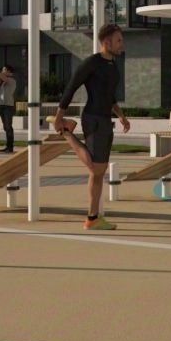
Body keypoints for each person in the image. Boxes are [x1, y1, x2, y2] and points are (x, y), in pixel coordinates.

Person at [53, 23, 132, 231]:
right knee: (95, 168)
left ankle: (93, 217)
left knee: (99, 171)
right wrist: (58, 117)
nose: (122, 44)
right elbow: (71, 87)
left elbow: (109, 95)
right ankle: (66, 132)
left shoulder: (112, 65)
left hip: (105, 119)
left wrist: (121, 116)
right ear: (107, 42)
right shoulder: (92, 63)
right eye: (118, 40)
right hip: (93, 118)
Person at [0, 64, 19, 153]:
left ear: (8, 71)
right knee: (5, 127)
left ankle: (10, 147)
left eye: (4, 70)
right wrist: (0, 75)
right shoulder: (2, 82)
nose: (2, 71)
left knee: (8, 126)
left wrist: (2, 74)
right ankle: (7, 146)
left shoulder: (12, 80)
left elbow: (1, 76)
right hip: (2, 105)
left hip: (8, 106)